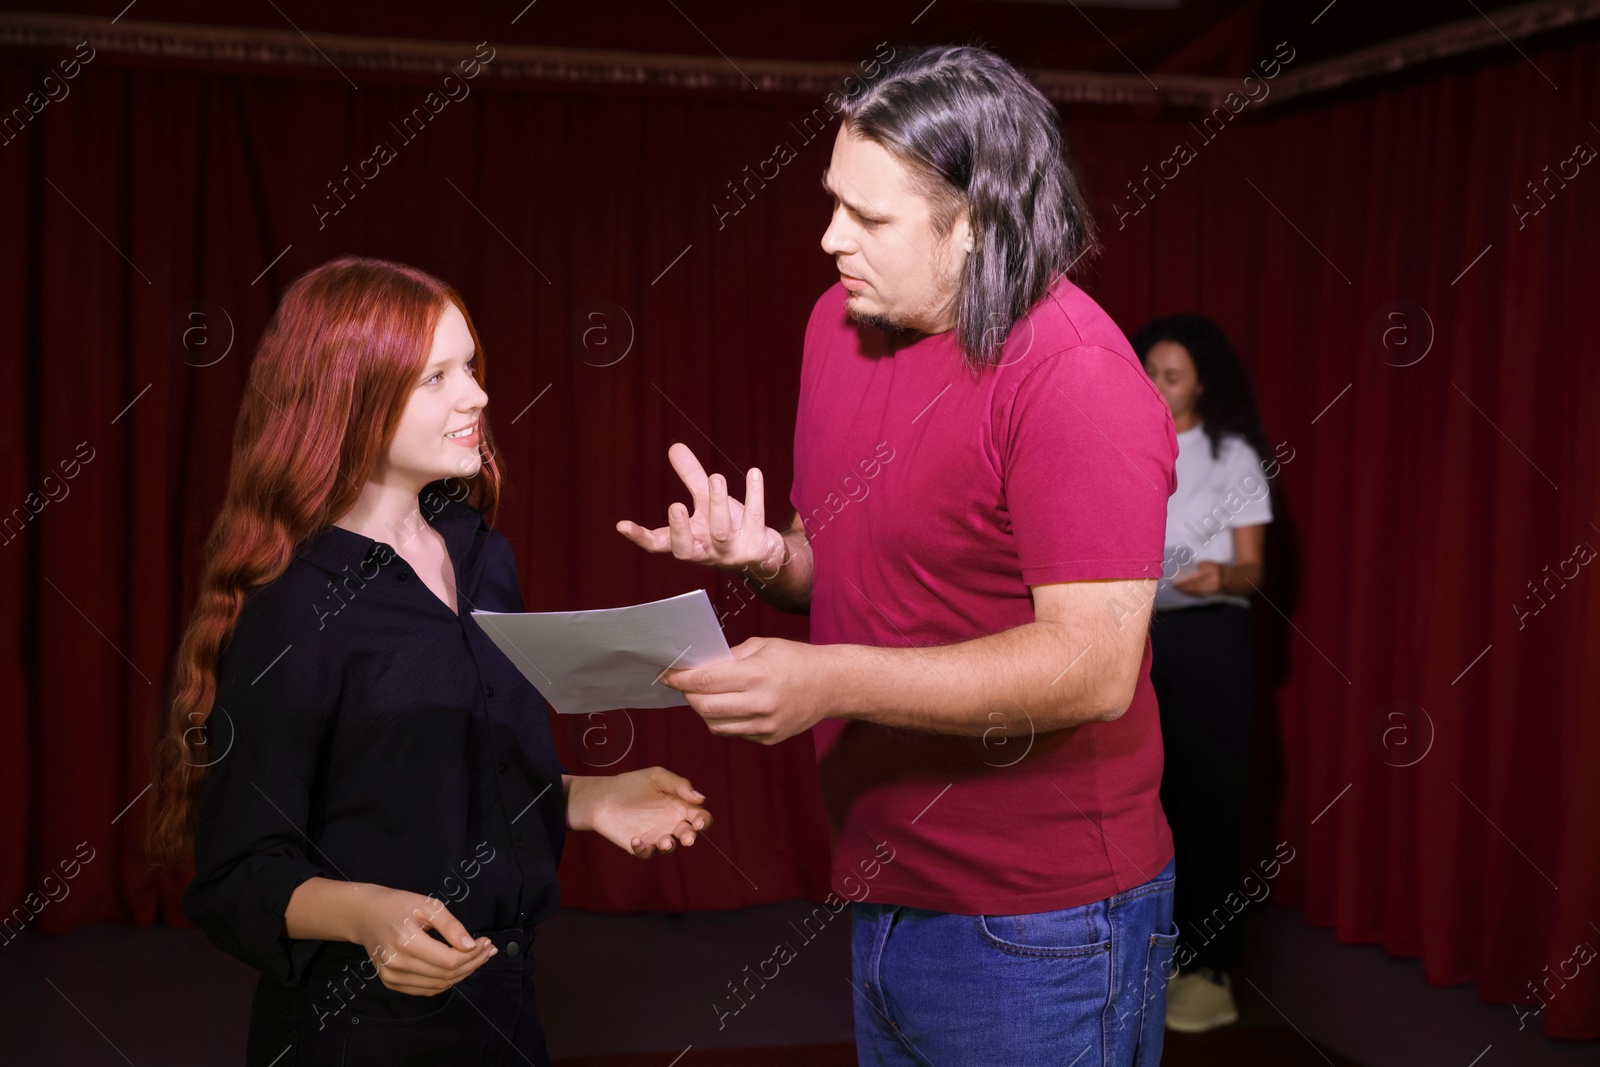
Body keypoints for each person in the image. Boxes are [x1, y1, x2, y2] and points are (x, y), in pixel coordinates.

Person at [619, 46, 1179, 1066]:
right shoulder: (837, 325)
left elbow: (1093, 666)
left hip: (1040, 924)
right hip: (886, 880)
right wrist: (767, 558)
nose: (831, 239)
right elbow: (873, 572)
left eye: (869, 219)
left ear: (977, 223)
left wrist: (828, 678)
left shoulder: (1075, 377)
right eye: (834, 202)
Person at [147, 256, 712, 1067]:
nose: (477, 395)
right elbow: (236, 871)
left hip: (507, 1011)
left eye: (470, 367)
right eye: (434, 377)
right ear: (351, 399)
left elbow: (432, 780)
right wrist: (371, 913)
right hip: (357, 1033)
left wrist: (582, 798)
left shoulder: (483, 555)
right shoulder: (296, 606)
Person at [1131, 312, 1275, 1032]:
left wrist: (1222, 571)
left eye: (1172, 375)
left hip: (1212, 640)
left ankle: (1211, 965)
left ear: (1202, 383)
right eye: (1149, 372)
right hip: (1133, 641)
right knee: (1142, 801)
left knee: (1209, 802)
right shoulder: (1123, 446)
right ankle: (1151, 956)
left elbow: (1253, 570)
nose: (1157, 387)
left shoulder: (1233, 456)